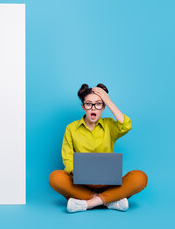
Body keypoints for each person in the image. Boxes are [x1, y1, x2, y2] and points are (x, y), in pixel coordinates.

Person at [49, 83, 148, 213]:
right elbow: (68, 160)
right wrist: (80, 172)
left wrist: (109, 101)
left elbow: (126, 125)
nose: (93, 108)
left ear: (103, 107)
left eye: (98, 104)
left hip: (109, 184)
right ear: (83, 106)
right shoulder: (71, 128)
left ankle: (89, 204)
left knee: (140, 177)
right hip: (82, 185)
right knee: (55, 177)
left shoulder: (109, 125)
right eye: (89, 104)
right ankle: (110, 201)